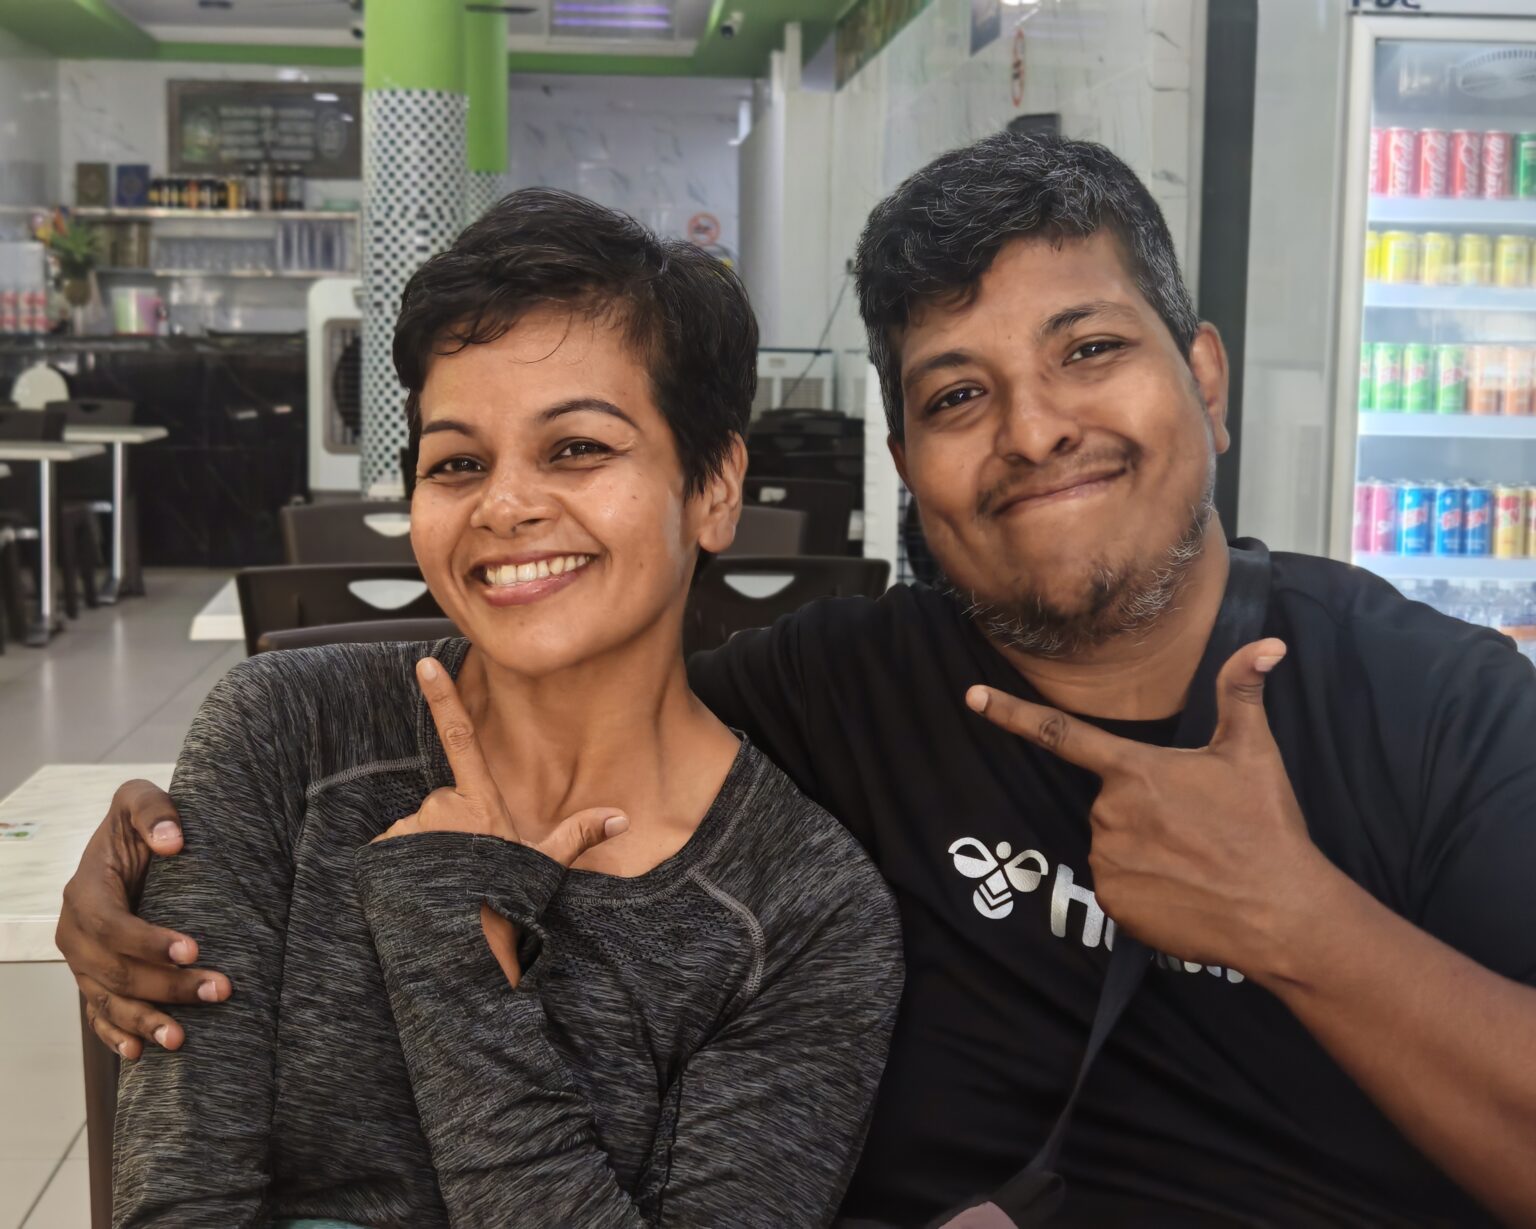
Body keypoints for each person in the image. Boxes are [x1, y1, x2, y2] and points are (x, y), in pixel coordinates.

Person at [61, 133, 1536, 1227]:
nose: (1032, 430)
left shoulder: (1441, 710)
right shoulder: (841, 694)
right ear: (904, 459)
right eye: (958, 393)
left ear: (1203, 377)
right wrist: (153, 861)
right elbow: (597, 695)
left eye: (1090, 349)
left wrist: (1297, 920)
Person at [96, 188, 903, 1228]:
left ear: (713, 487)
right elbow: (177, 1199)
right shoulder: (288, 735)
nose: (505, 504)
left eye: (578, 448)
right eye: (458, 463)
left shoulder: (802, 911)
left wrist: (455, 964)